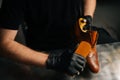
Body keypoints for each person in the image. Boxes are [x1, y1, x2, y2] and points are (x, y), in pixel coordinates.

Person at [0, 0, 96, 80]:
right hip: (41, 52)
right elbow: (4, 43)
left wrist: (87, 15)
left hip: (76, 39)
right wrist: (54, 61)